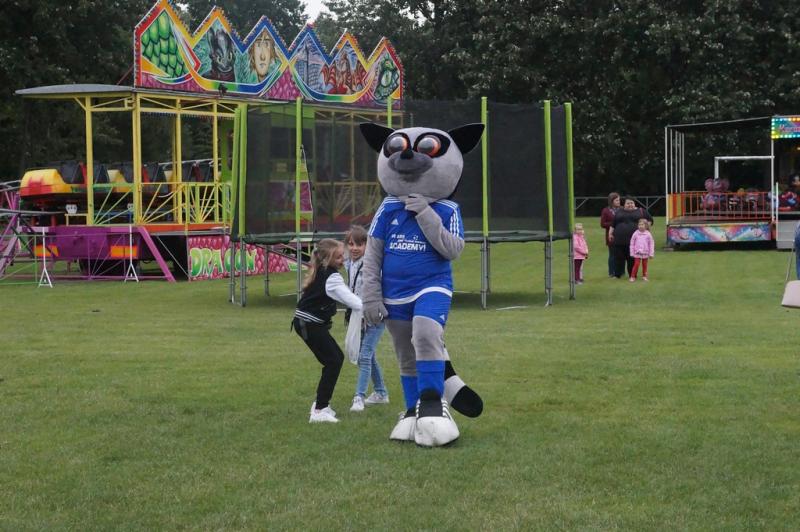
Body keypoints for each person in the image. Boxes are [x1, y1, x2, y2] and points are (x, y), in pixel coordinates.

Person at [293, 239, 362, 423]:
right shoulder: (331, 278)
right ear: (327, 259)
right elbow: (353, 301)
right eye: (338, 257)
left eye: (342, 256)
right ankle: (319, 409)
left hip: (307, 322)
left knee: (334, 359)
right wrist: (376, 309)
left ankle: (321, 405)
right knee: (333, 360)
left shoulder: (323, 271)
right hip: (309, 324)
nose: (342, 259)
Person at [344, 225, 389, 412]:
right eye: (351, 244)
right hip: (358, 316)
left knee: (364, 356)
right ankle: (381, 392)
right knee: (368, 356)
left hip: (375, 316)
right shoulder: (349, 263)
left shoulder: (371, 265)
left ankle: (359, 397)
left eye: (359, 244)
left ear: (367, 246)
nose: (354, 248)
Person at [609, 197, 653, 279]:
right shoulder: (619, 212)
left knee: (631, 259)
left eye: (631, 203)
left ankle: (632, 275)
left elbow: (650, 220)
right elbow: (613, 224)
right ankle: (617, 275)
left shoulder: (641, 211)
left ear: (634, 204)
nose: (630, 205)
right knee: (618, 258)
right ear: (624, 204)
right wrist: (610, 233)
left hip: (635, 241)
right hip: (619, 240)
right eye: (628, 203)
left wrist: (645, 229)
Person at [600, 192, 621, 277]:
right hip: (611, 235)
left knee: (621, 255)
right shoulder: (606, 211)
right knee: (612, 255)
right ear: (612, 201)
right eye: (617, 200)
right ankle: (611, 272)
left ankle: (620, 272)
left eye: (619, 200)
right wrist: (613, 224)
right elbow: (602, 224)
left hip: (622, 235)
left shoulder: (622, 209)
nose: (619, 201)